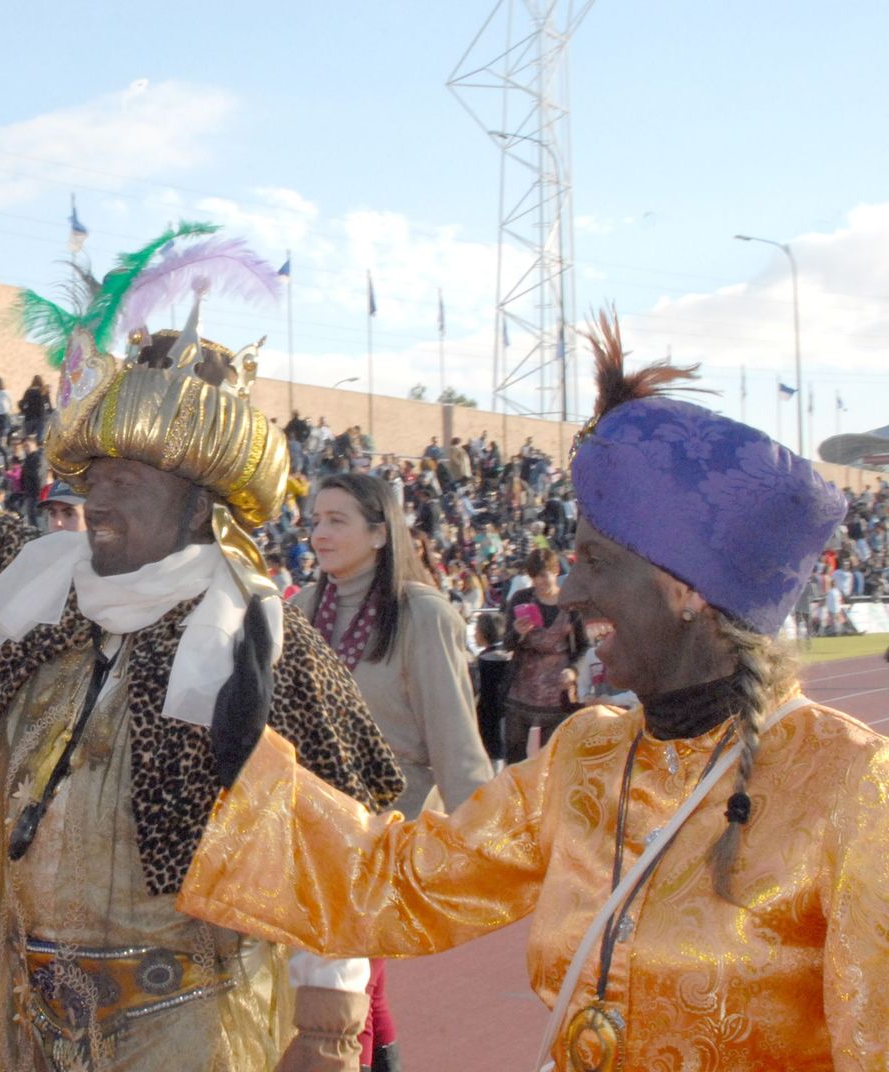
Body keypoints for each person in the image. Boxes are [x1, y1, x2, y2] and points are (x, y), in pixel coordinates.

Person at [0, 254, 401, 1071]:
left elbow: (332, 849)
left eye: (129, 478)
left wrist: (330, 1033)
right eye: (95, 476)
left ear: (200, 505)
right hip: (31, 1024)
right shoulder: (53, 593)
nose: (100, 497)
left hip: (185, 1027)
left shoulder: (261, 642)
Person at [177, 319, 888, 1070]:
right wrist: (234, 770)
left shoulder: (852, 787)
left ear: (686, 591)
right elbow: (403, 883)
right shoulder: (587, 751)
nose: (572, 589)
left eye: (597, 562)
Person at [298, 471, 492, 1068]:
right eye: (315, 521)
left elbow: (455, 743)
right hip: (303, 830)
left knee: (336, 995)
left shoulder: (422, 615)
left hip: (379, 835)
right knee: (354, 986)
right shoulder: (302, 607)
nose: (319, 533)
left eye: (337, 520)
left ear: (380, 533)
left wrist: (485, 848)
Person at [503, 546, 589, 761]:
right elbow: (506, 644)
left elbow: (583, 646)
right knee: (515, 755)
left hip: (556, 692)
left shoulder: (571, 605)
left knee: (553, 756)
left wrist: (573, 670)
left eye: (543, 575)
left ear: (556, 571)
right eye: (534, 577)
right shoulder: (521, 598)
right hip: (521, 687)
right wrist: (518, 632)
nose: (539, 582)